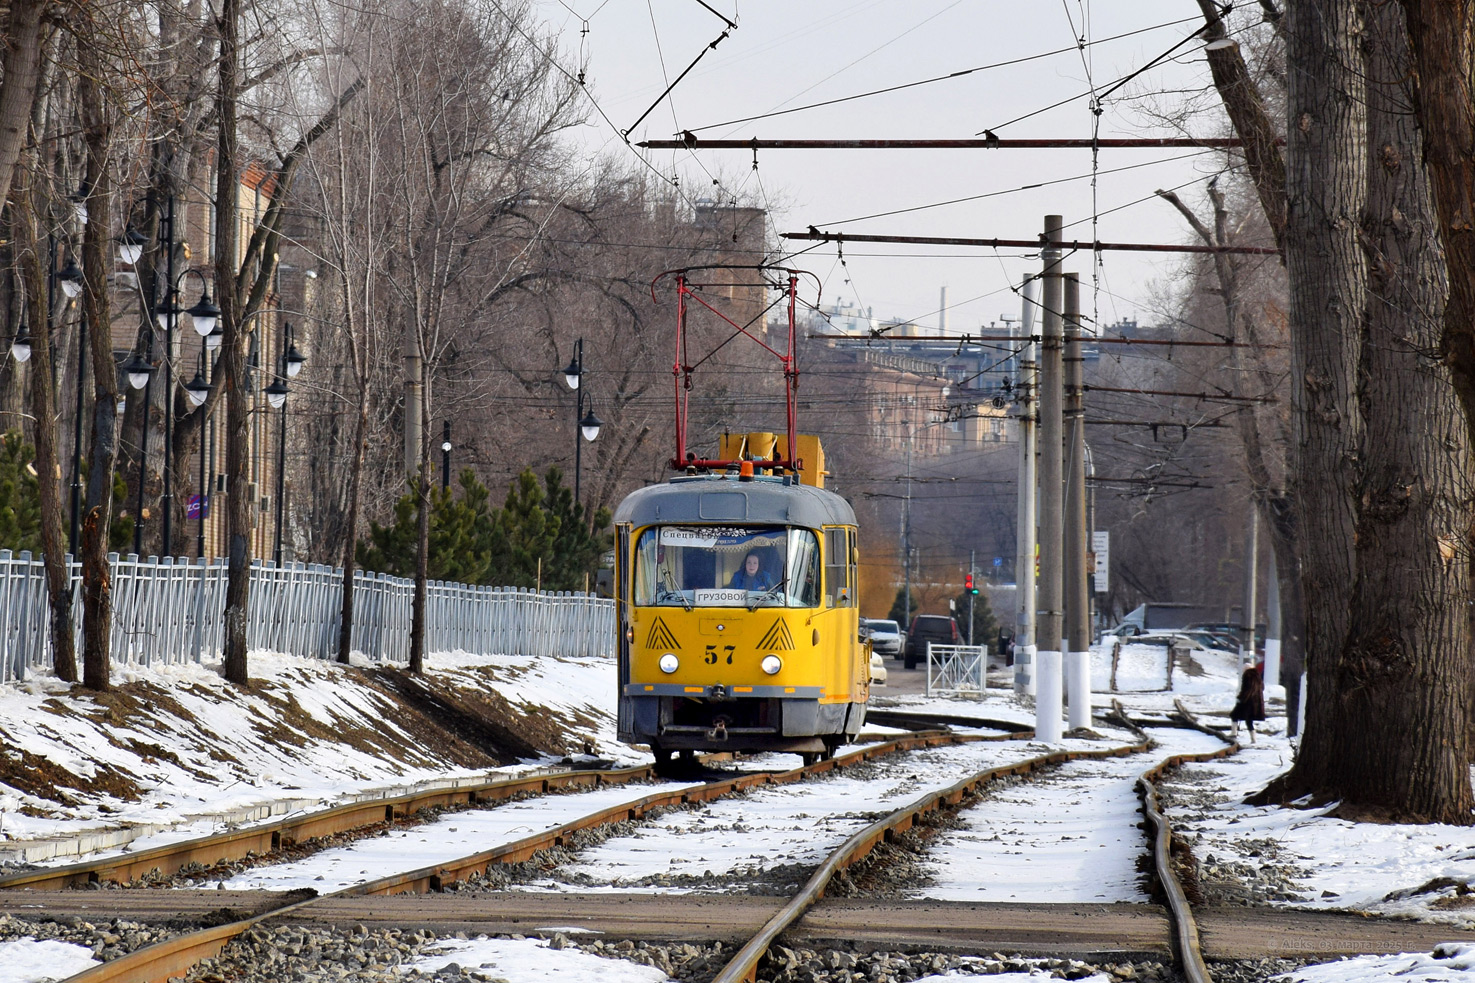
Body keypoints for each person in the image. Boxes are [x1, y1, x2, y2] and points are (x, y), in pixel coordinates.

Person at [1229, 666, 1266, 743]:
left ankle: (1234, 733)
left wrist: (1241, 697)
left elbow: (1247, 689)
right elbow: (1262, 688)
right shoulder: (1257, 676)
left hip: (1247, 701)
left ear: (1245, 669)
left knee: (1234, 715)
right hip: (1256, 702)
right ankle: (1253, 738)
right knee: (1249, 719)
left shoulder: (1248, 675)